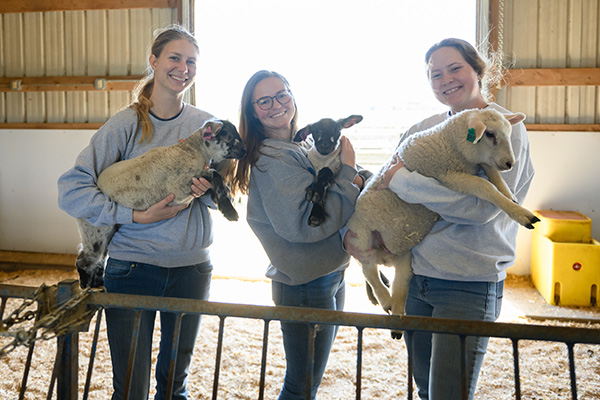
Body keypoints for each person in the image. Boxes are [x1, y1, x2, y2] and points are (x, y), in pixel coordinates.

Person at [344, 38, 535, 400]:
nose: (445, 79)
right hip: (417, 278)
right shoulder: (425, 128)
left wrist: (405, 181)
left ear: (478, 71)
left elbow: (481, 210)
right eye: (435, 74)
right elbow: (386, 184)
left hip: (466, 281)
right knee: (427, 387)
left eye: (455, 68)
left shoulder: (505, 127)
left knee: (449, 393)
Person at [58, 26, 221, 400]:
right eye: (174, 58)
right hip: (133, 268)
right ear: (154, 61)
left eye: (191, 61)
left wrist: (207, 191)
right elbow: (72, 190)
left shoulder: (206, 125)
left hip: (191, 269)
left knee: (173, 385)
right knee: (131, 386)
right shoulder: (126, 124)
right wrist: (135, 217)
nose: (183, 68)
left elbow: (220, 196)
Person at [231, 70, 365, 399]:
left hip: (329, 272)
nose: (275, 104)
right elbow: (304, 226)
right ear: (252, 111)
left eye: (282, 95)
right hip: (304, 284)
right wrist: (350, 172)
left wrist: (359, 175)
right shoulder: (271, 159)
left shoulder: (300, 147)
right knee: (301, 384)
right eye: (264, 100)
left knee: (310, 380)